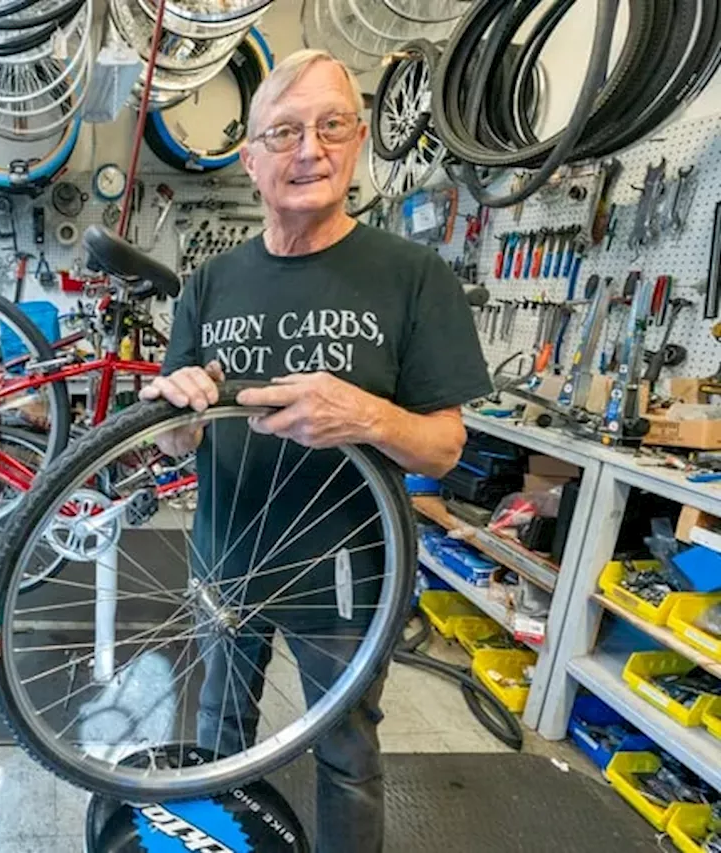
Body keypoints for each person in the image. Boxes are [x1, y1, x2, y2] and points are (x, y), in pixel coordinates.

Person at [139, 50, 492, 852]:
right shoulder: (209, 284)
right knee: (219, 745)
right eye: (286, 131)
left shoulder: (412, 276)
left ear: (359, 140)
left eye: (332, 125)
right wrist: (174, 403)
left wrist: (367, 413)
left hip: (347, 576)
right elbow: (172, 439)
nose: (311, 150)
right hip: (225, 561)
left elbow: (444, 449)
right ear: (251, 159)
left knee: (346, 754)